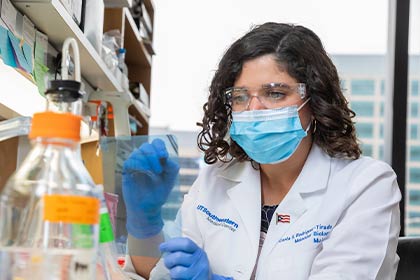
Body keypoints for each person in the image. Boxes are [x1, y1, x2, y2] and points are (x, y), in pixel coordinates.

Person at [122, 22, 401, 280]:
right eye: (241, 97)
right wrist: (144, 223)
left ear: (315, 101)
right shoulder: (216, 180)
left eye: (275, 93)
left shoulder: (366, 185)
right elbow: (159, 273)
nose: (254, 110)